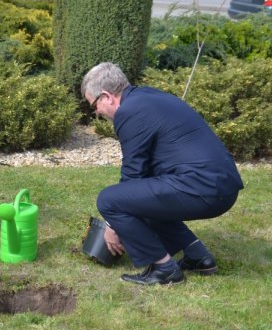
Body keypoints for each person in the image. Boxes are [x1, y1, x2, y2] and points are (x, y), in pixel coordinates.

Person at [81, 62, 243, 285]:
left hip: (204, 187)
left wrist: (112, 225)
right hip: (221, 186)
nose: (97, 112)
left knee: (109, 200)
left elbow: (132, 175)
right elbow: (143, 177)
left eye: (94, 105)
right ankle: (198, 257)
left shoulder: (128, 112)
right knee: (143, 195)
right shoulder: (147, 97)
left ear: (107, 96)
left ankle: (164, 268)